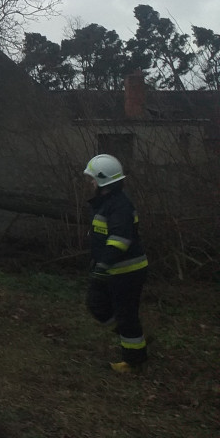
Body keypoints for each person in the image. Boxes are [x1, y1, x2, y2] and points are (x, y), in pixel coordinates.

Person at [83, 154, 148, 373]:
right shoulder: (105, 203)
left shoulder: (119, 205)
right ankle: (131, 335)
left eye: (92, 179)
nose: (90, 183)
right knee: (96, 304)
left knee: (126, 315)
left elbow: (120, 239)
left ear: (102, 181)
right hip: (112, 269)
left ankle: (134, 361)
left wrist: (103, 264)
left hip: (128, 270)